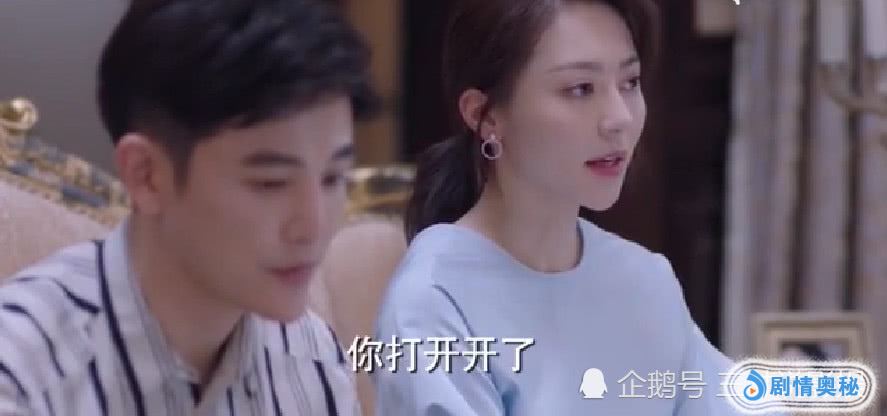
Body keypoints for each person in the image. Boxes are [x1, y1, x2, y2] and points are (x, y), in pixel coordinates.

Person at [0, 0, 377, 414]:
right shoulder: (21, 372)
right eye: (271, 183)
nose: (314, 226)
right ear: (146, 175)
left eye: (333, 178)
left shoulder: (312, 359)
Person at [373, 0, 746, 414]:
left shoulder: (643, 280)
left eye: (630, 82)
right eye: (580, 89)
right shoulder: (434, 301)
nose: (619, 118)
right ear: (484, 115)